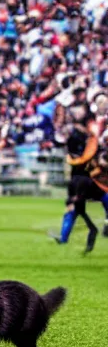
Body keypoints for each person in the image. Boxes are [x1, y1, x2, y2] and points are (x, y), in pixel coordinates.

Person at [52, 105, 108, 254]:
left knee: (74, 212)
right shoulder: (87, 143)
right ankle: (67, 237)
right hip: (87, 186)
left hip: (83, 186)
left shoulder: (84, 143)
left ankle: (64, 238)